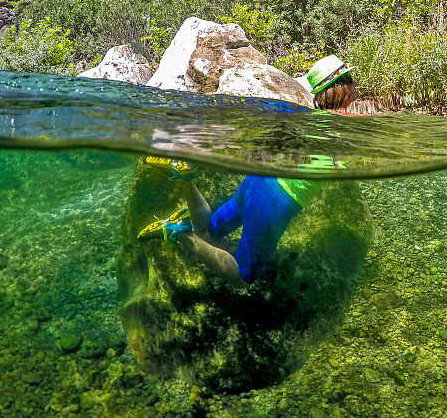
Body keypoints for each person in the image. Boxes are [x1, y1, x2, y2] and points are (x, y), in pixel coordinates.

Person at [137, 55, 357, 286]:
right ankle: (180, 234)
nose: (355, 85)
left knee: (209, 231)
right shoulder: (337, 128)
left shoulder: (305, 116)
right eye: (351, 79)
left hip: (258, 181)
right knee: (243, 276)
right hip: (277, 200)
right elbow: (339, 164)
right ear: (343, 87)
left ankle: (183, 177)